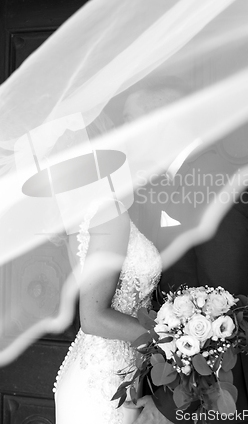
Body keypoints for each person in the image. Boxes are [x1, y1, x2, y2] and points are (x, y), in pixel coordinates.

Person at [123, 81, 248, 423]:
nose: (127, 137)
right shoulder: (169, 180)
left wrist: (169, 406)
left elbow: (225, 310)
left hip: (211, 395)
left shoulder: (215, 180)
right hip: (179, 380)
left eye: (133, 125)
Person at [53, 116, 162, 424]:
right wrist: (170, 341)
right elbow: (93, 317)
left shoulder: (86, 213)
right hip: (102, 385)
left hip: (115, 372)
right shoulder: (108, 213)